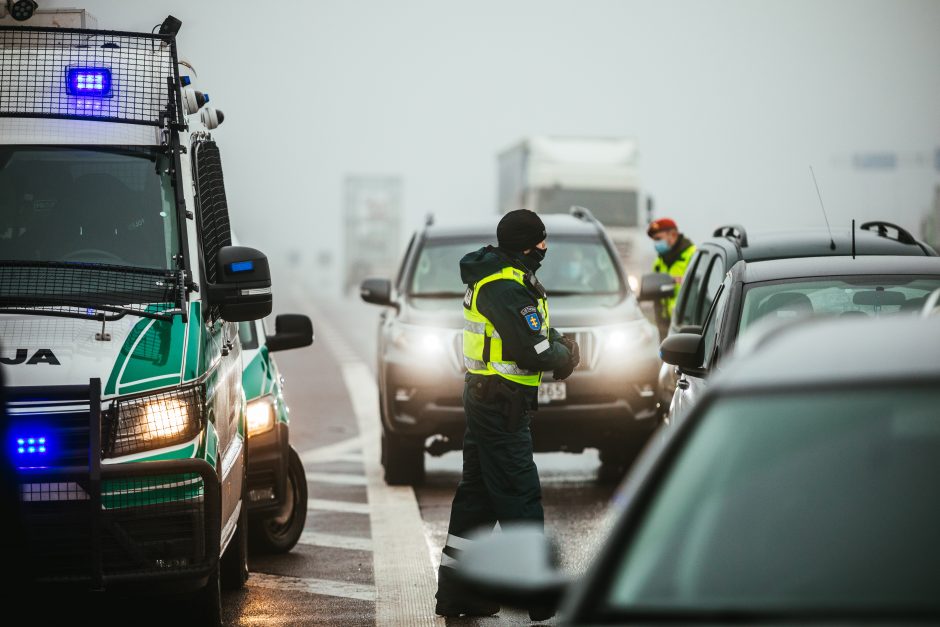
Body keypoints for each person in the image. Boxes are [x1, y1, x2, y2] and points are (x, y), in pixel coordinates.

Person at [435, 209, 580, 621]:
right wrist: (565, 356)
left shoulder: (508, 277)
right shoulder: (504, 284)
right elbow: (529, 350)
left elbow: (530, 332)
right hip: (500, 403)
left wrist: (556, 341)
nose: (545, 248)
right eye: (540, 241)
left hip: (489, 398)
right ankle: (538, 593)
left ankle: (458, 592)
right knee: (519, 492)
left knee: (477, 497)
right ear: (523, 244)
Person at [648, 218, 695, 336]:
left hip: (687, 323)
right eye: (654, 240)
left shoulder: (693, 255)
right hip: (664, 323)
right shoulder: (658, 262)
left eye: (659, 239)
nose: (656, 244)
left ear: (673, 234)